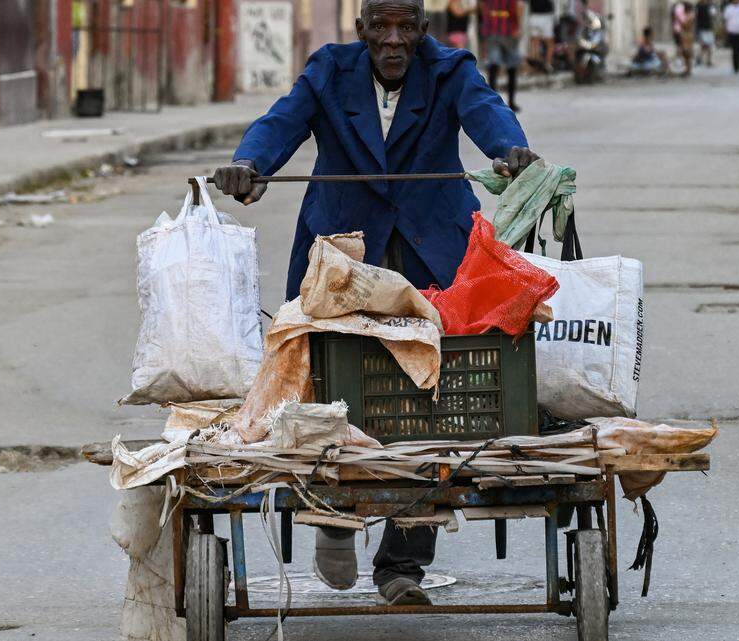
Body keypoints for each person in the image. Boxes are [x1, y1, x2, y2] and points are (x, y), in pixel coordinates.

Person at [212, 0, 538, 606]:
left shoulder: (450, 70)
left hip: (429, 249)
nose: (394, 41)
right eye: (381, 28)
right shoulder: (329, 72)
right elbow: (283, 120)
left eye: (406, 28)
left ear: (422, 31)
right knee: (331, 376)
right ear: (361, 30)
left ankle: (402, 566)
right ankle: (335, 518)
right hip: (344, 251)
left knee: (426, 398)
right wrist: (248, 164)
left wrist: (510, 150)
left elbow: (487, 111)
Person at [478, 0, 525, 111]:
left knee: (499, 65)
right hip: (504, 29)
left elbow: (481, 6)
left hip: (499, 29)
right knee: (501, 65)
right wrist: (518, 26)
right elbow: (519, 6)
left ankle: (497, 101)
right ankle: (507, 102)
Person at [525, 0, 556, 73]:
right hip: (544, 16)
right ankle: (545, 64)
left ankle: (539, 65)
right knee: (547, 42)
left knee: (536, 42)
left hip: (536, 16)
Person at [672, 1, 696, 76]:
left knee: (687, 53)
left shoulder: (690, 15)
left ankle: (688, 69)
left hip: (687, 36)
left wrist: (678, 19)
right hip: (685, 35)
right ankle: (687, 69)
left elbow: (685, 25)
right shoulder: (687, 15)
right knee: (685, 53)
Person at [695, 0, 717, 66]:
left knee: (707, 45)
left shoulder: (709, 5)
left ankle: (704, 59)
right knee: (706, 45)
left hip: (707, 27)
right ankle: (705, 60)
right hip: (703, 28)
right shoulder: (699, 5)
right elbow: (713, 15)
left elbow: (713, 15)